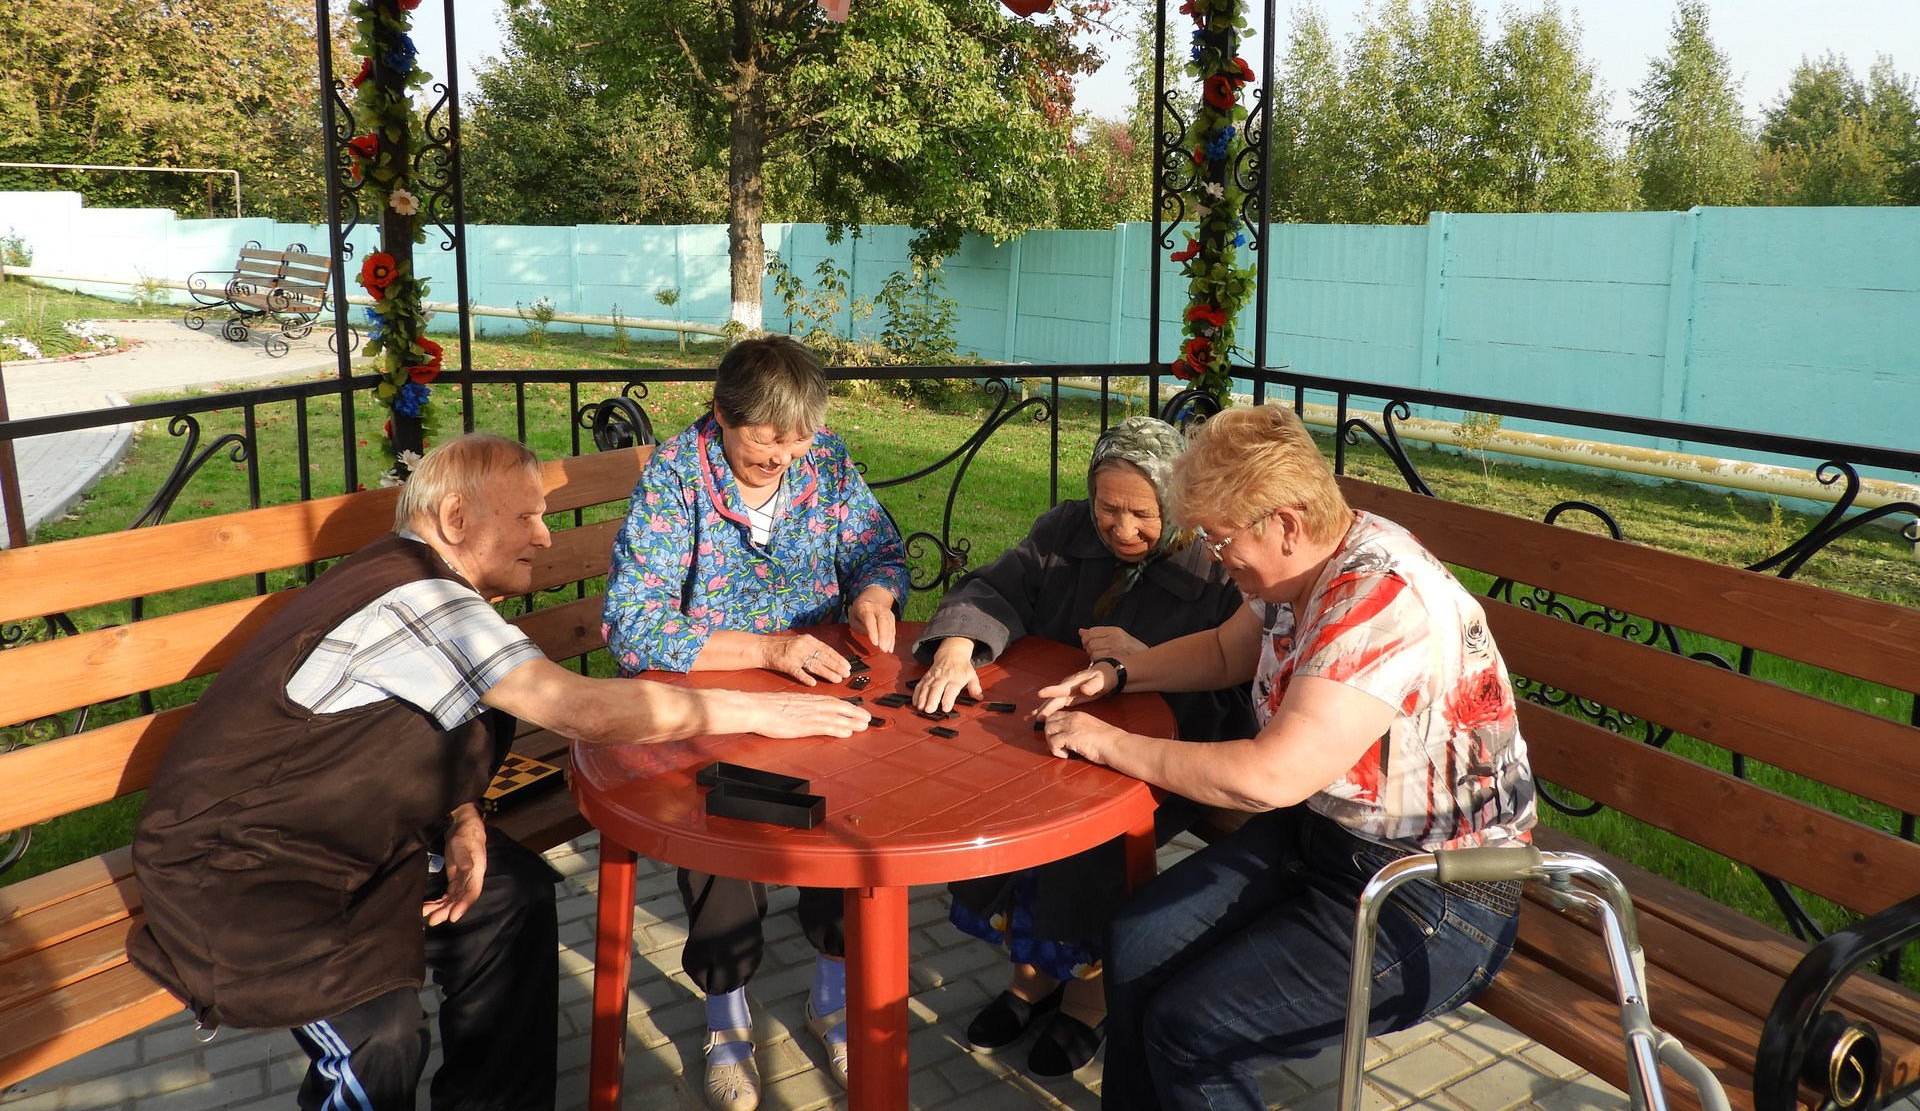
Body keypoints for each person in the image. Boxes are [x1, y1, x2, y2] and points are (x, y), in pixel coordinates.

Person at [129, 433, 868, 1111]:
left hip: (354, 838)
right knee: (380, 1032)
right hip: (243, 870)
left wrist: (459, 813)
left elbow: (400, 735)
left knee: (511, 898)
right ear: (456, 517)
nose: (544, 536)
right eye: (527, 516)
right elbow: (579, 709)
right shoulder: (419, 598)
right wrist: (760, 712)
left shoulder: (426, 588)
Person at [1035, 404, 1536, 1111]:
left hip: (1432, 891)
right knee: (1136, 941)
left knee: (1195, 1030)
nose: (1214, 557)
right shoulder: (1306, 565)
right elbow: (1225, 651)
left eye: (1219, 539)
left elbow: (1267, 778)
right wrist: (1120, 675)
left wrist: (1109, 742)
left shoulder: (1379, 601)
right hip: (1325, 838)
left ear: (1286, 523)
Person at [601, 333, 908, 1111]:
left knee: (853, 816)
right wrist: (767, 649)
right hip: (712, 697)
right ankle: (727, 1019)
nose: (782, 457)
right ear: (720, 413)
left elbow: (878, 550)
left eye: (795, 440)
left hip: (819, 683)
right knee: (723, 839)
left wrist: (874, 594)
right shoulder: (676, 477)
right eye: (765, 440)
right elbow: (631, 624)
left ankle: (832, 997)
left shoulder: (823, 461)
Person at [908, 415, 1251, 1077]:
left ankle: (1088, 1001)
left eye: (1143, 513)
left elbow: (1240, 694)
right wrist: (958, 644)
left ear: (1177, 501)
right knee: (1003, 803)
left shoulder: (1214, 566)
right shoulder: (1065, 530)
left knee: (1087, 839)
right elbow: (996, 586)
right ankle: (1031, 981)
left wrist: (1145, 663)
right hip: (1060, 731)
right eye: (1107, 508)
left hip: (1167, 751)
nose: (1121, 529)